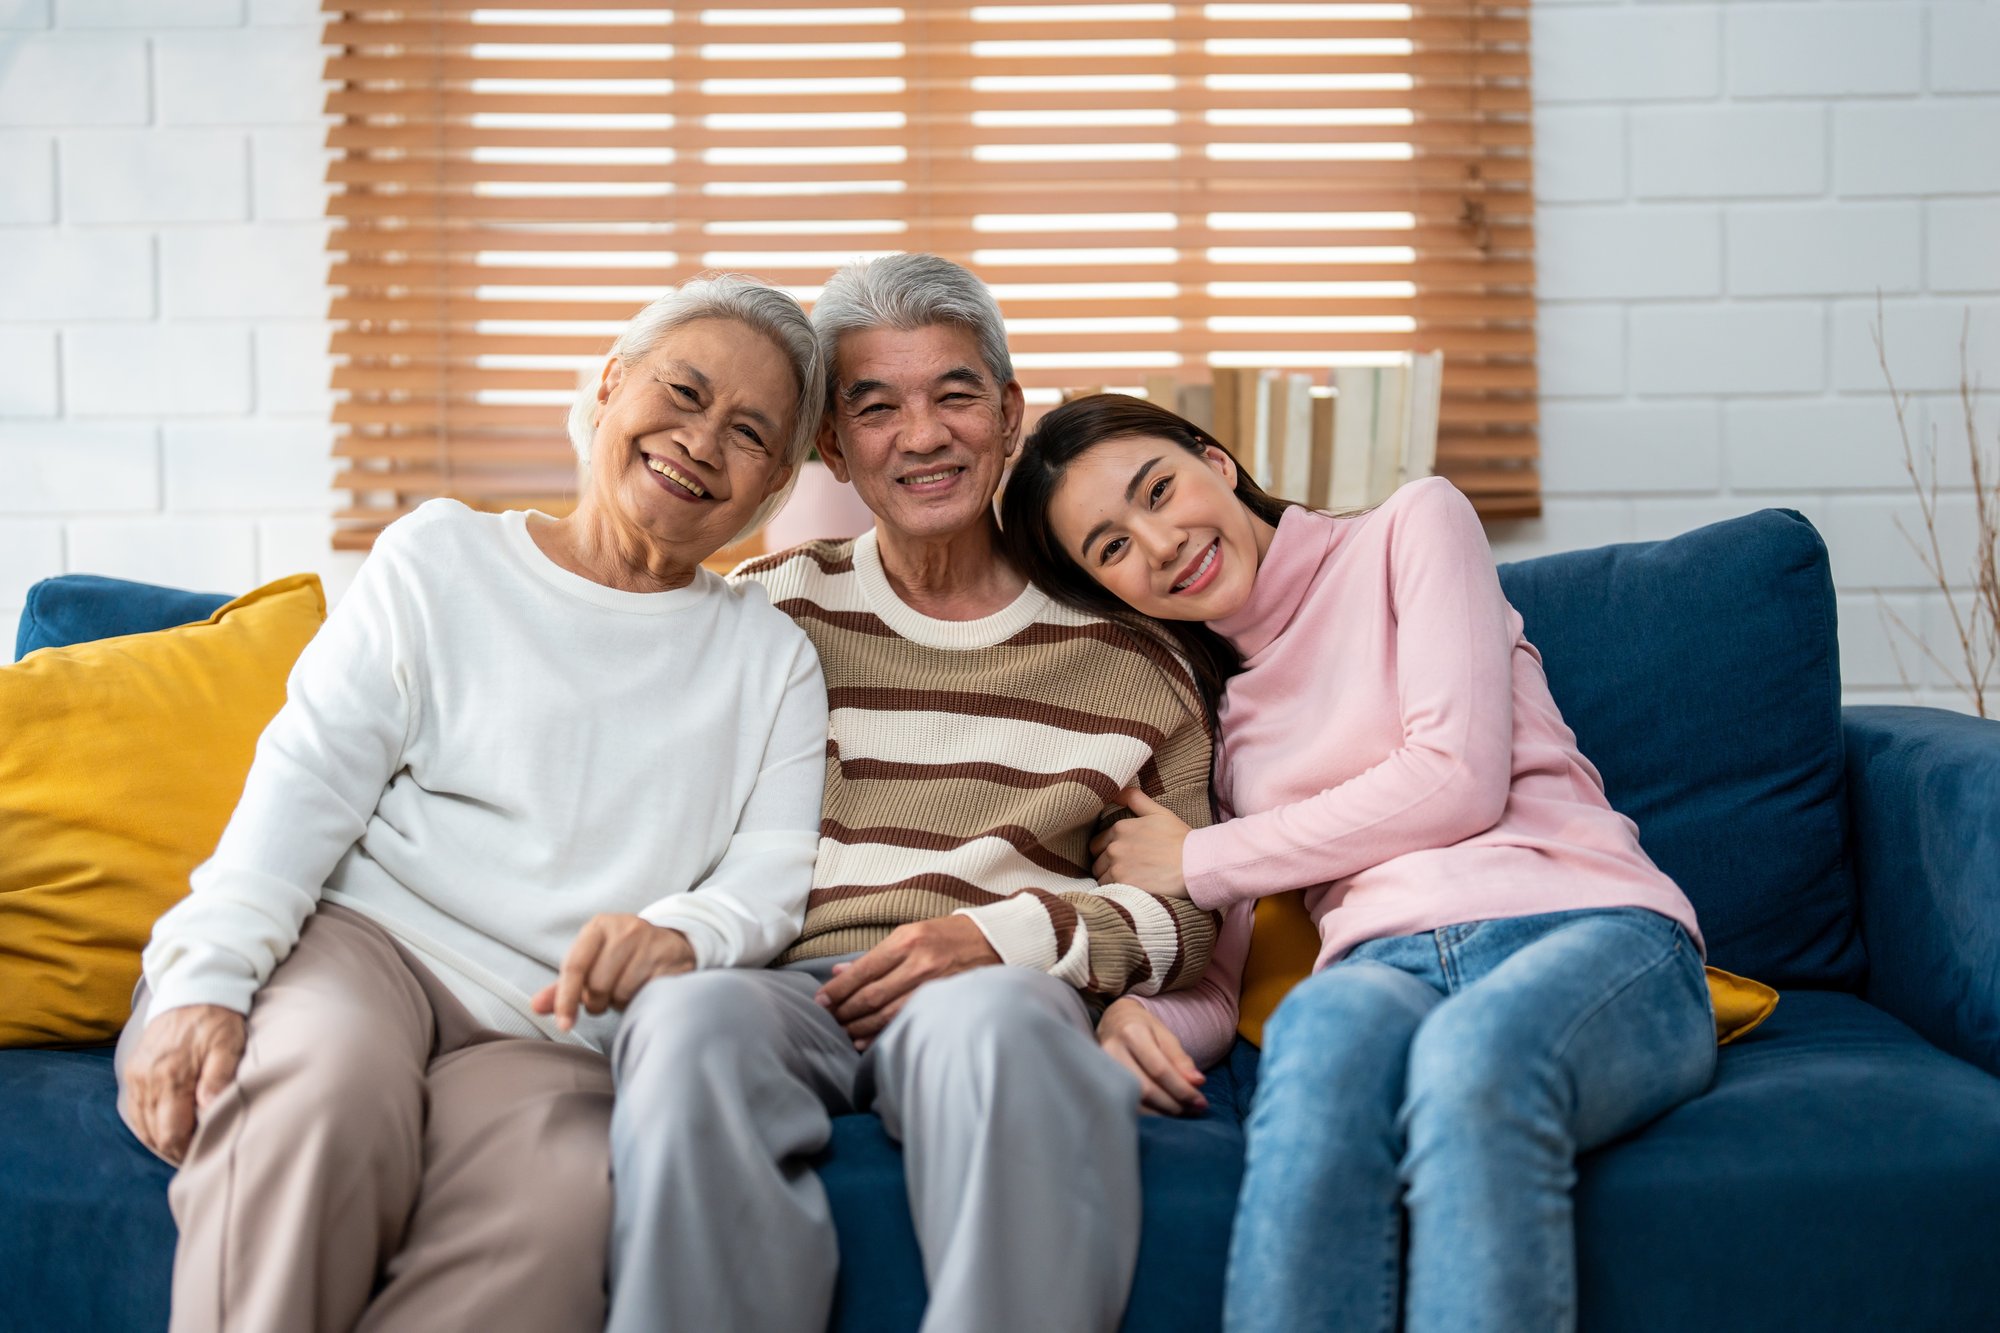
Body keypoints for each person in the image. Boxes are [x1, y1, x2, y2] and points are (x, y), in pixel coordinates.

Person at [115, 275, 830, 1333]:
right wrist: (203, 979)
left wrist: (674, 933)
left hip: (553, 1027)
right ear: (611, 383)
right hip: (372, 951)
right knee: (313, 1105)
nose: (697, 441)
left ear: (770, 487)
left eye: (748, 433)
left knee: (558, 1211)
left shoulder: (771, 658)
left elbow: (765, 881)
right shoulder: (441, 554)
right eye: (680, 391)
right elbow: (304, 779)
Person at [999, 392, 1717, 1333]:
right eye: (1113, 547)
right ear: (1114, 593)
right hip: (1382, 970)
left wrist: (1202, 855)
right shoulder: (1229, 727)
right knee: (1312, 1049)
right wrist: (1140, 1012)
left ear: (1216, 462)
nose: (1160, 542)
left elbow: (1456, 778)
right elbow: (1235, 974)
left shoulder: (1413, 526)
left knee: (1475, 1062)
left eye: (1159, 489)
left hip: (1589, 927)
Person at [605, 255, 1221, 1333]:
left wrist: (999, 939)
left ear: (1008, 413)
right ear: (833, 446)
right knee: (686, 1021)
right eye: (874, 406)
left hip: (996, 983)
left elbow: (1187, 908)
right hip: (789, 983)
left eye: (953, 394)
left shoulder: (1134, 655)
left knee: (990, 1028)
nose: (922, 435)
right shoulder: (764, 612)